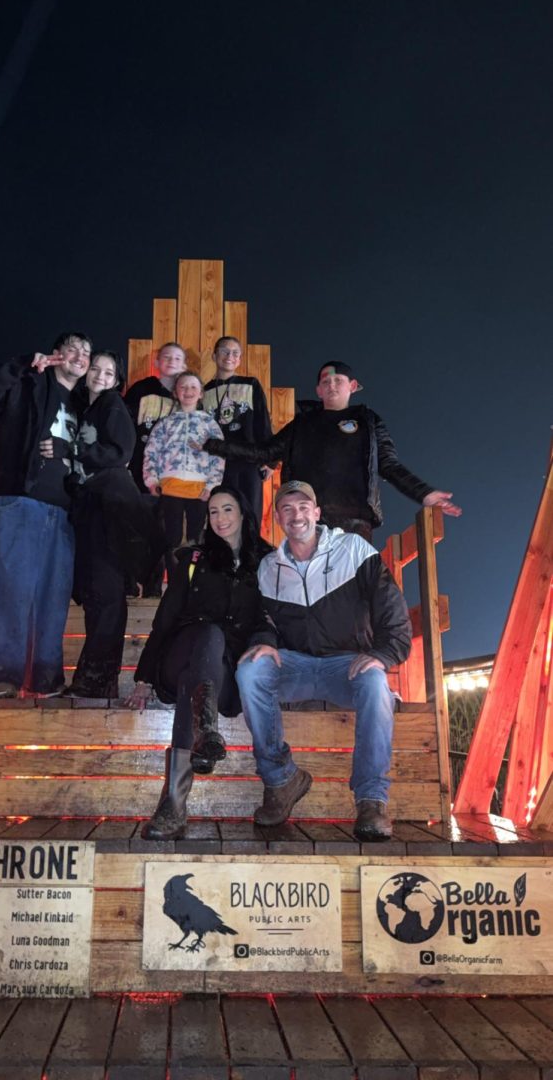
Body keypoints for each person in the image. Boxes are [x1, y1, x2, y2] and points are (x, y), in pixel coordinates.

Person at [236, 480, 412, 841]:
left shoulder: (352, 549)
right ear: (279, 518)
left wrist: (383, 654)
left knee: (377, 684)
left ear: (317, 514)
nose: (296, 514)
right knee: (250, 670)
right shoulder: (268, 567)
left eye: (303, 507)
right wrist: (265, 641)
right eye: (287, 508)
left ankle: (371, 800)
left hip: (346, 665)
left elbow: (391, 606)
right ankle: (280, 780)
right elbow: (261, 620)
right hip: (297, 665)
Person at [132, 485, 273, 840]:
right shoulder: (194, 559)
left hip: (224, 671)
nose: (220, 518)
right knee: (206, 637)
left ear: (243, 513)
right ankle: (203, 733)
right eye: (213, 512)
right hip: (180, 652)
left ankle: (174, 805)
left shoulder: (267, 561)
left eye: (227, 509)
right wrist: (143, 677)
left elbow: (272, 618)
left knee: (196, 681)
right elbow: (165, 618)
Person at [0, 332, 92, 696]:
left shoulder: (85, 404)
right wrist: (21, 364)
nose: (80, 356)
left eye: (86, 352)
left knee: (52, 595)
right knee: (9, 586)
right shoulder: (29, 382)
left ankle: (45, 676)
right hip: (21, 497)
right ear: (56, 353)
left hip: (64, 510)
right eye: (73, 348)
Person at [203, 360, 461, 540]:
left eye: (338, 380)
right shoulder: (301, 424)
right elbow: (263, 453)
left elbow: (390, 465)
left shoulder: (369, 422)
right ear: (318, 390)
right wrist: (213, 445)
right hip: (307, 520)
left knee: (352, 592)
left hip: (355, 521)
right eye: (325, 381)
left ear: (352, 385)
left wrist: (424, 494)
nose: (332, 385)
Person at [68, 350, 165, 699]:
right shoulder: (82, 409)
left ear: (117, 381)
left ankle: (97, 680)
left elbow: (122, 452)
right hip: (92, 508)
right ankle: (96, 678)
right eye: (95, 369)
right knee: (95, 593)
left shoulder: (112, 404)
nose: (100, 376)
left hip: (111, 507)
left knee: (106, 592)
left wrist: (73, 452)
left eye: (109, 372)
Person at [143, 371, 225, 574]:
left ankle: (194, 583)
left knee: (196, 539)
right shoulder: (165, 423)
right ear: (175, 392)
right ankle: (174, 585)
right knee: (171, 538)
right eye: (183, 387)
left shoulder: (209, 424)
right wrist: (152, 479)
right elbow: (151, 451)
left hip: (199, 490)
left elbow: (219, 454)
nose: (188, 391)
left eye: (193, 387)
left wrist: (212, 485)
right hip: (170, 489)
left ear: (200, 394)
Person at [202, 335, 274, 523]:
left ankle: (252, 553)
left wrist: (271, 458)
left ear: (240, 359)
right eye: (225, 351)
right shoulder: (203, 392)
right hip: (217, 466)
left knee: (250, 517)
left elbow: (263, 421)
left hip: (249, 461)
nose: (229, 356)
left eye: (235, 353)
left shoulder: (251, 384)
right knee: (221, 518)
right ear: (214, 356)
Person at [124, 342, 187, 493]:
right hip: (138, 463)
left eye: (177, 358)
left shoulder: (187, 396)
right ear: (156, 362)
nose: (172, 361)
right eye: (167, 357)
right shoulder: (142, 388)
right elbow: (125, 425)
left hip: (171, 470)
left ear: (184, 366)